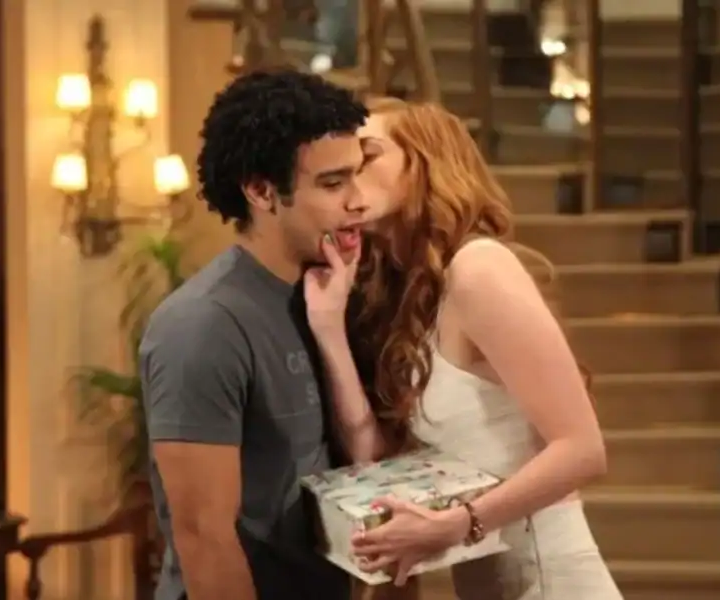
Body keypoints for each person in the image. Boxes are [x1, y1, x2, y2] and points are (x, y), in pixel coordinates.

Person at [304, 97, 623, 600]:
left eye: (368, 155)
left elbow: (583, 450)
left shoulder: (479, 268)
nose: (351, 176)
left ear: (425, 161)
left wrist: (459, 523)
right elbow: (376, 461)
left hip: (551, 577)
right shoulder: (409, 296)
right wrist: (329, 330)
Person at [138, 70, 370, 600]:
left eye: (356, 177)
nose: (359, 201)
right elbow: (204, 539)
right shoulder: (203, 325)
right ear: (262, 191)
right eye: (333, 184)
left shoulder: (323, 296)